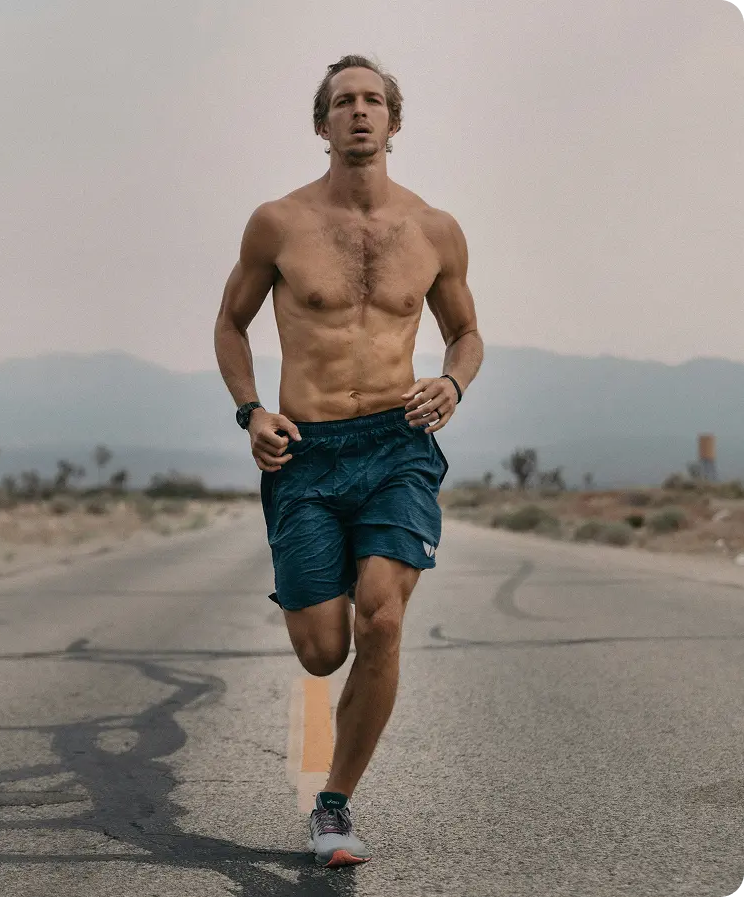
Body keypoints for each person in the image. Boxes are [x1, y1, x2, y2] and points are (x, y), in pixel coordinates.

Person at [214, 54, 483, 867]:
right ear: (322, 123)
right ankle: (328, 754)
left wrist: (452, 384)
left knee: (383, 616)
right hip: (304, 451)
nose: (357, 112)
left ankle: (332, 806)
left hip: (395, 445)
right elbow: (230, 323)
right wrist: (252, 410)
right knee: (322, 650)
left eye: (372, 100)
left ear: (393, 122)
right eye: (342, 102)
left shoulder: (435, 229)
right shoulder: (277, 223)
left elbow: (465, 333)